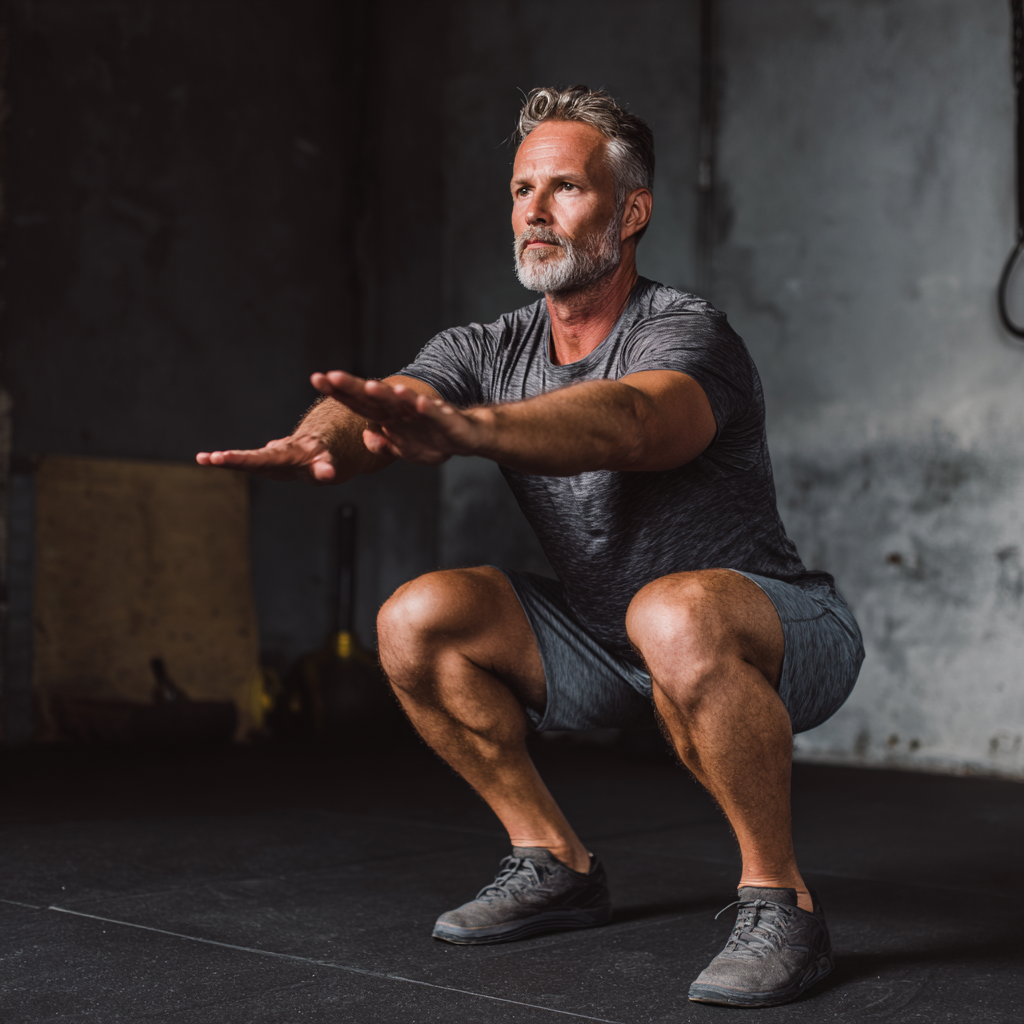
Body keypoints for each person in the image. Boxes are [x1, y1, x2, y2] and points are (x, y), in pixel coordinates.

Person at [197, 85, 864, 1009]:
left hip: (776, 631)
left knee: (671, 611)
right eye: (521, 190)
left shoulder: (684, 329)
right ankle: (553, 861)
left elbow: (633, 423)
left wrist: (474, 429)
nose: (534, 212)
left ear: (631, 212)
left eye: (566, 188)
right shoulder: (485, 347)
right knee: (418, 619)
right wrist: (319, 437)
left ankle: (781, 904)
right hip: (604, 638)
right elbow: (392, 402)